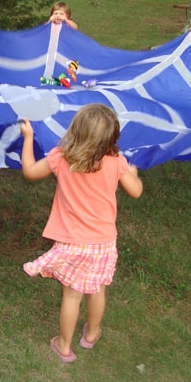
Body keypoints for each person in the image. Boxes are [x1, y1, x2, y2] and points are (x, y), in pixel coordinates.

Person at [20, 104, 143, 363]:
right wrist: (133, 174)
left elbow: (30, 171)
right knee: (97, 288)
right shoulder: (117, 163)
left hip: (71, 243)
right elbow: (136, 191)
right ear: (113, 137)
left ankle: (64, 345)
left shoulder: (61, 157)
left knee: (72, 295)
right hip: (102, 244)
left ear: (75, 131)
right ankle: (91, 334)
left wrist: (28, 138)